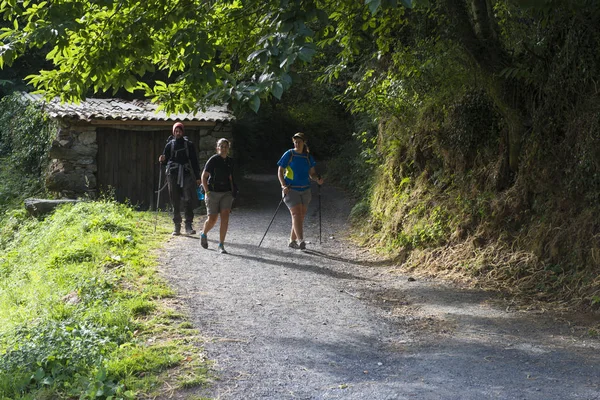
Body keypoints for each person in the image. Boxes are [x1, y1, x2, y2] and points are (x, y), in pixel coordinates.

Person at [277, 132, 324, 250]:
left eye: (299, 141)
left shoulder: (308, 157)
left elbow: (312, 173)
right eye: (295, 141)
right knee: (296, 214)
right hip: (291, 189)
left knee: (300, 216)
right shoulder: (289, 154)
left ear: (304, 143)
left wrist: (317, 179)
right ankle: (301, 240)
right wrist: (283, 185)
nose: (297, 143)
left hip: (305, 190)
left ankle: (292, 241)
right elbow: (280, 170)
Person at [158, 122, 202, 236]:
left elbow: (194, 161)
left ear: (182, 132)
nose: (178, 133)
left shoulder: (189, 145)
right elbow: (165, 162)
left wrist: (198, 177)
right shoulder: (169, 145)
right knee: (175, 200)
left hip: (186, 174)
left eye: (179, 131)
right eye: (176, 131)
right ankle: (177, 226)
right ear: (173, 132)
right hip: (172, 175)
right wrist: (162, 160)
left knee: (188, 199)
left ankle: (188, 225)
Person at [199, 138, 236, 254]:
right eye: (221, 146)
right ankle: (204, 233)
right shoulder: (213, 160)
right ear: (217, 148)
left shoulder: (230, 161)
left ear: (228, 149)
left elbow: (231, 177)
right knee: (212, 219)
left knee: (225, 217)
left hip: (226, 193)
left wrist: (234, 191)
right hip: (213, 192)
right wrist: (207, 192)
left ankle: (221, 245)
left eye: (226, 146)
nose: (223, 148)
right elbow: (203, 177)